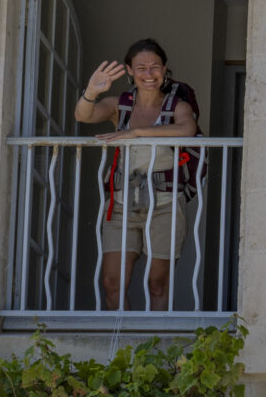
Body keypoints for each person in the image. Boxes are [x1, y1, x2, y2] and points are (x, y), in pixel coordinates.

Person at [74, 39, 202, 312]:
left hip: (165, 203)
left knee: (157, 282)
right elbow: (84, 115)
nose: (148, 73)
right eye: (141, 67)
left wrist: (136, 132)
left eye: (155, 66)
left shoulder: (176, 105)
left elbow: (186, 129)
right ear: (129, 70)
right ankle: (123, 345)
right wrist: (91, 92)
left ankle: (154, 349)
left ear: (165, 69)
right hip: (122, 203)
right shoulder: (121, 105)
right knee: (112, 282)